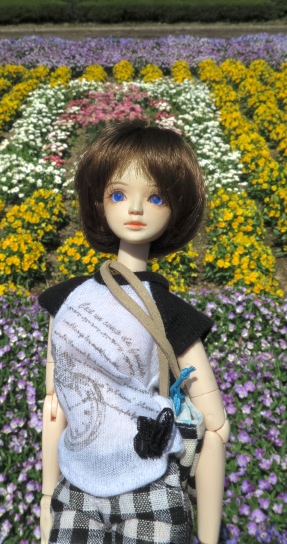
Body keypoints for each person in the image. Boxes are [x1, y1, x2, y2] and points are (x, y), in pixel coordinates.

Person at [38, 121, 230, 544]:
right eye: (118, 195)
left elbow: (215, 428)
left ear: (175, 208)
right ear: (99, 201)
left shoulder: (169, 313)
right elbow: (56, 402)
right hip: (77, 488)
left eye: (156, 197)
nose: (136, 209)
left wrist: (208, 535)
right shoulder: (67, 300)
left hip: (150, 484)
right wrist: (48, 494)